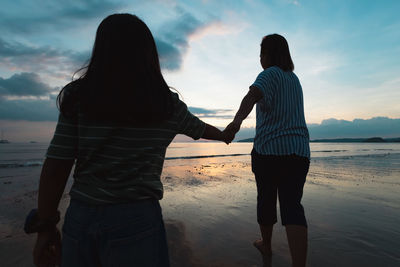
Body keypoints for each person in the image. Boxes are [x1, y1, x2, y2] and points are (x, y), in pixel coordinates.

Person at [28, 13, 230, 267]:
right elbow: (200, 128)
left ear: (100, 51)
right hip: (138, 218)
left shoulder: (79, 96)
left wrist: (45, 227)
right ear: (149, 55)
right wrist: (224, 136)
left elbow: (57, 166)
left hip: (82, 217)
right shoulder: (166, 105)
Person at [224, 34, 310, 267]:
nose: (259, 58)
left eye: (261, 53)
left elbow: (252, 96)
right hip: (299, 152)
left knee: (266, 200)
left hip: (270, 151)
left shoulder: (268, 74)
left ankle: (267, 245)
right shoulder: (295, 79)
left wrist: (235, 123)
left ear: (269, 54)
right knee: (293, 206)